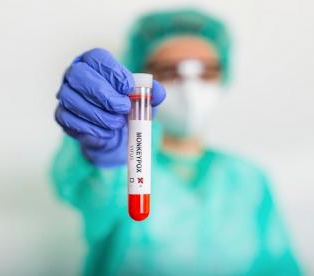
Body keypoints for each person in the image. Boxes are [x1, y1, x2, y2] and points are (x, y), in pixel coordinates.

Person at [52, 9, 301, 276]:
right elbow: (85, 190)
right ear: (137, 77)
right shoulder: (116, 170)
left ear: (223, 76)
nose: (190, 89)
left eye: (205, 72)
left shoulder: (248, 179)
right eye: (170, 72)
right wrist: (97, 153)